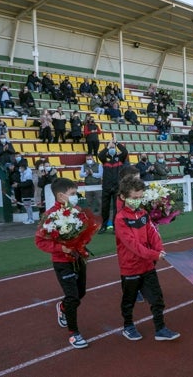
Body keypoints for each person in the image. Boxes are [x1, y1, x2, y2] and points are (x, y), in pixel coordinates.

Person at [114, 177, 180, 341]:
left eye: (140, 198)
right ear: (123, 197)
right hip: (130, 267)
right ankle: (128, 326)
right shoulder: (121, 219)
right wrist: (155, 255)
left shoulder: (144, 214)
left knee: (157, 299)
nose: (138, 201)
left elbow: (153, 234)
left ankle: (160, 329)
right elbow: (133, 245)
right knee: (129, 300)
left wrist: (160, 250)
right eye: (134, 198)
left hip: (148, 266)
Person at [35, 178, 92, 349]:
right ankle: (74, 333)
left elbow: (84, 232)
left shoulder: (78, 211)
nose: (76, 197)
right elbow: (40, 241)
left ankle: (63, 306)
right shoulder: (50, 216)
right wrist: (61, 248)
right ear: (60, 195)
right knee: (73, 296)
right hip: (62, 262)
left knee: (80, 293)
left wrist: (82, 246)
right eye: (73, 194)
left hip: (78, 258)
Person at [98, 139, 128, 234]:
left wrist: (117, 143)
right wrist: (107, 146)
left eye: (113, 147)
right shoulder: (104, 158)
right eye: (110, 147)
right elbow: (100, 155)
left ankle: (116, 226)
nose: (112, 149)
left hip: (117, 187)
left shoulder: (120, 158)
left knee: (117, 208)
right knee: (105, 207)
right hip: (106, 187)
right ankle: (104, 226)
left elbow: (125, 152)